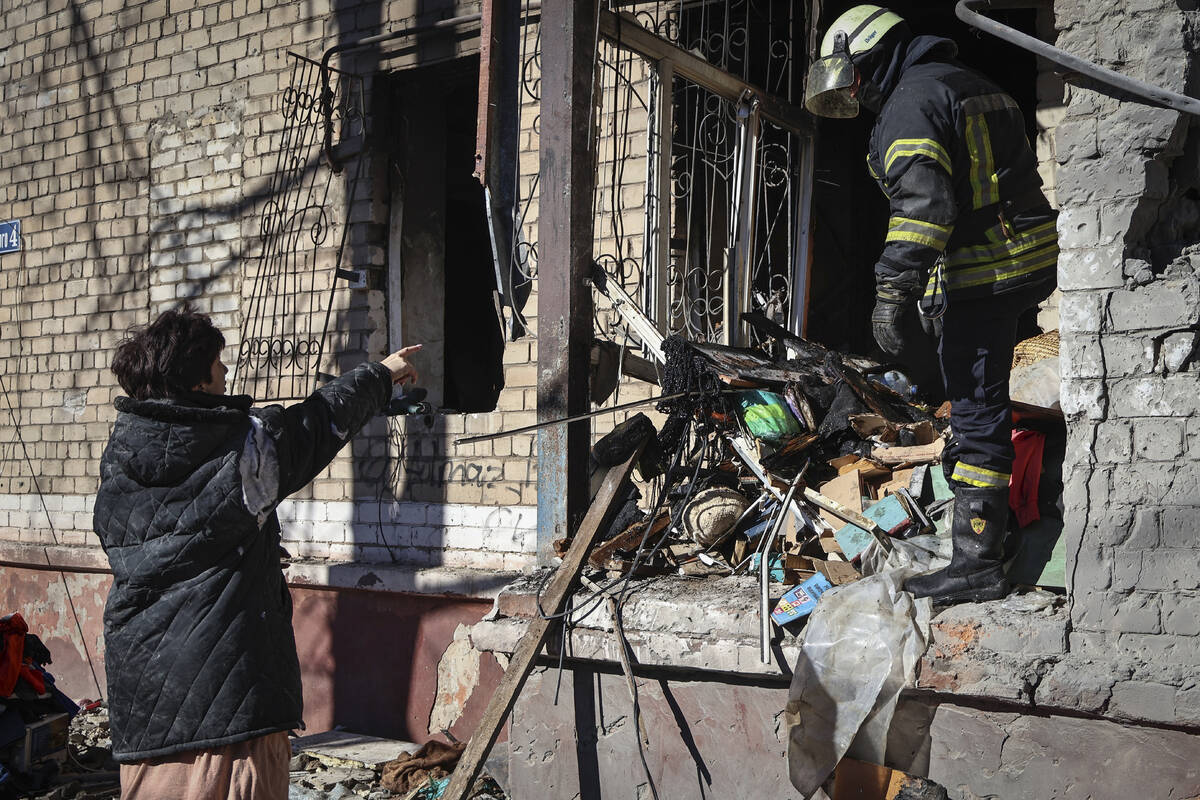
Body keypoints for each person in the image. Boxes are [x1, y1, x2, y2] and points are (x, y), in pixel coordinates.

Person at [94, 305, 421, 799]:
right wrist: (381, 374)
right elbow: (315, 425)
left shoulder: (120, 455)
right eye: (218, 363)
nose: (227, 372)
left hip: (146, 704)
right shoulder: (242, 451)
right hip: (232, 702)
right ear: (197, 379)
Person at [805, 5, 1059, 604]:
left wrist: (893, 291)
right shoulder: (966, 83)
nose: (856, 94)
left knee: (976, 412)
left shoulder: (910, 104)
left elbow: (925, 209)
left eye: (854, 76)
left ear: (871, 56)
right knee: (980, 396)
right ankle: (996, 536)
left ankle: (975, 561)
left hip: (988, 271)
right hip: (1022, 259)